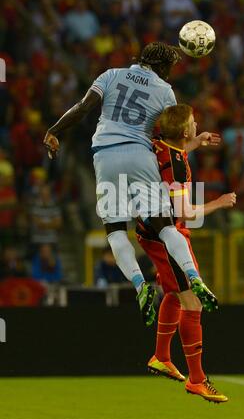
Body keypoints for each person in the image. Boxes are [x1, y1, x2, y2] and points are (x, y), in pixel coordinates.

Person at [43, 42, 220, 327]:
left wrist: (54, 131)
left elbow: (82, 108)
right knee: (165, 226)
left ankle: (140, 285)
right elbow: (172, 136)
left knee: (114, 231)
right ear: (162, 67)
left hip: (105, 155)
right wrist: (195, 142)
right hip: (140, 155)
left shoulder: (111, 74)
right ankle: (195, 278)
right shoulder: (164, 91)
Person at [136, 104, 236, 402]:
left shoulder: (158, 146)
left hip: (148, 229)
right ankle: (197, 379)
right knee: (193, 303)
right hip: (167, 235)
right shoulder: (177, 165)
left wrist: (194, 143)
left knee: (172, 292)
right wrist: (219, 202)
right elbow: (186, 211)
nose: (196, 125)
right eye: (194, 123)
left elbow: (171, 157)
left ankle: (161, 356)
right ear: (184, 130)